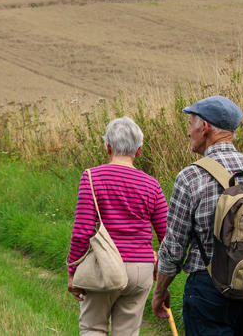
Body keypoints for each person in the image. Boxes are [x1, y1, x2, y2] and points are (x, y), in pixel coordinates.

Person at [152, 96, 243, 336]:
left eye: (191, 124)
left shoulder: (190, 177)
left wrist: (159, 292)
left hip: (209, 292)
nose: (189, 132)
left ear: (205, 127)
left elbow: (174, 249)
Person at [67, 116, 168, 336]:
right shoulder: (152, 184)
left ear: (108, 148)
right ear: (139, 151)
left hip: (102, 267)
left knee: (93, 328)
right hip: (141, 269)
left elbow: (82, 231)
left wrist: (72, 271)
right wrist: (161, 269)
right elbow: (166, 235)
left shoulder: (91, 178)